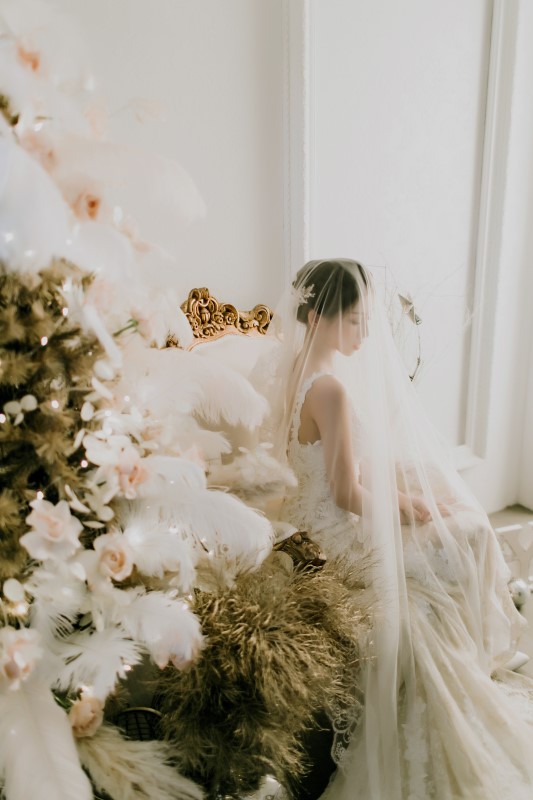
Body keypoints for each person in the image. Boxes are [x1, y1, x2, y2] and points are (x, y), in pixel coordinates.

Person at [255, 258, 533, 799]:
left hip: (305, 527)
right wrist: (411, 507)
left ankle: (489, 646)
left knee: (450, 512)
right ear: (317, 317)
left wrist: (406, 490)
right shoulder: (331, 387)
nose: (365, 333)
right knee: (468, 532)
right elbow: (345, 492)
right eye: (354, 321)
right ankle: (489, 652)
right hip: (337, 543)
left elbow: (321, 466)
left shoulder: (292, 370)